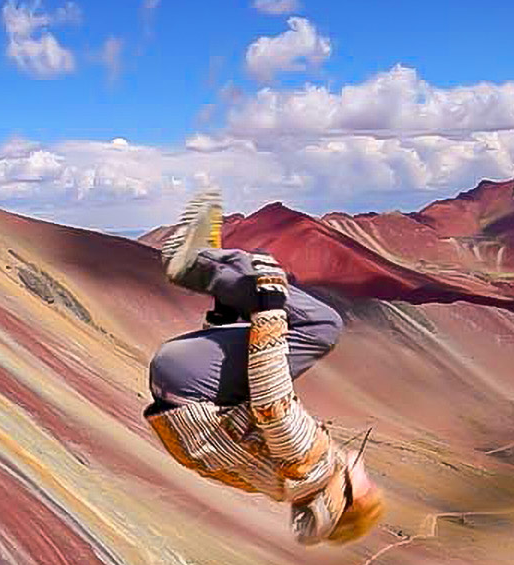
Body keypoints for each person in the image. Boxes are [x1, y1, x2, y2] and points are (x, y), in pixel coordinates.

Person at [145, 189, 384, 546]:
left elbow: (271, 401)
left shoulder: (309, 463)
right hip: (175, 382)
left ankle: (198, 264)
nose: (371, 478)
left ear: (343, 500)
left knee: (321, 327)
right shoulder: (283, 484)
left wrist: (270, 303)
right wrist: (221, 323)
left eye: (368, 490)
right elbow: (228, 431)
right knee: (274, 343)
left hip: (194, 380)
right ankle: (225, 292)